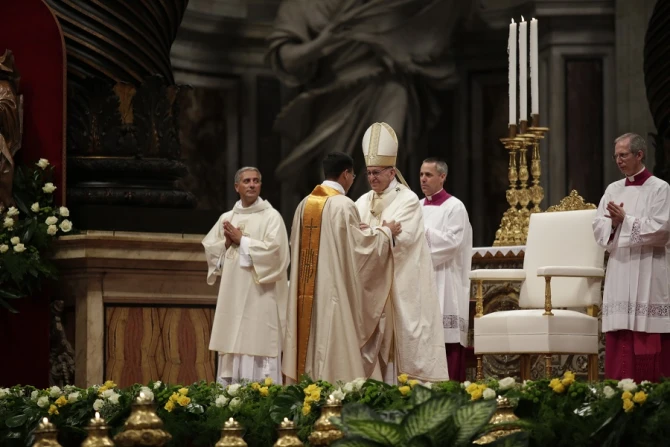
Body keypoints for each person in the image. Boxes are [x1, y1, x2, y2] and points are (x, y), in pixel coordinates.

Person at [267, 0, 474, 200]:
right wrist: (323, 43)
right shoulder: (300, 5)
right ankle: (341, 220)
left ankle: (379, 213)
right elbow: (286, 57)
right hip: (334, 96)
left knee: (387, 146)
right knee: (337, 166)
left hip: (387, 83)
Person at [283, 152, 400, 384]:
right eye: (353, 175)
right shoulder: (343, 205)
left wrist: (360, 231)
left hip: (304, 295)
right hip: (332, 294)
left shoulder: (304, 205)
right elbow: (360, 251)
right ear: (345, 174)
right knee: (332, 340)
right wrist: (385, 233)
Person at [355, 122, 450, 383]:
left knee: (404, 343)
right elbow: (356, 238)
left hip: (400, 283)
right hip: (372, 286)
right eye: (369, 173)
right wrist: (381, 230)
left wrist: (372, 231)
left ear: (392, 171)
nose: (372, 178)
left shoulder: (406, 199)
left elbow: (404, 240)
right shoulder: (361, 201)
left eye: (377, 172)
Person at [593, 133, 670, 382]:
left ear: (640, 155)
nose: (618, 160)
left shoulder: (660, 188)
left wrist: (626, 221)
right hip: (620, 268)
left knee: (647, 332)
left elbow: (661, 228)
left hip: (649, 267)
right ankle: (617, 393)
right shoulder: (612, 190)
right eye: (616, 156)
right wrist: (614, 226)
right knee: (620, 333)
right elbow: (598, 227)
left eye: (623, 155)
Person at [202, 167, 290, 385]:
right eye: (247, 181)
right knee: (232, 345)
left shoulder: (272, 217)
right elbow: (211, 252)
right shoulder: (227, 217)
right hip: (232, 296)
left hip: (260, 297)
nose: (252, 185)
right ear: (236, 187)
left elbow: (277, 254)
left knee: (258, 344)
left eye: (256, 181)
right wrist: (226, 243)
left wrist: (244, 241)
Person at [419, 157, 473, 382]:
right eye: (421, 174)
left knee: (446, 340)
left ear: (442, 177)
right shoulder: (417, 206)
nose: (423, 179)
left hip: (446, 280)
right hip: (422, 279)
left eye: (428, 175)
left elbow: (453, 242)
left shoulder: (454, 206)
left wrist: (421, 234)